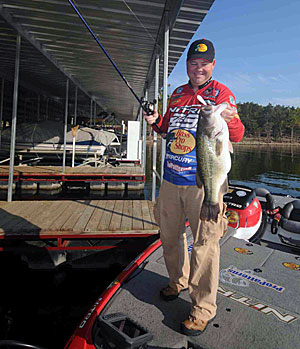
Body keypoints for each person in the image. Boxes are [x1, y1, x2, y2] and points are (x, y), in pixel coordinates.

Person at [143, 38, 245, 336]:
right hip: (171, 181)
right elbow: (166, 130)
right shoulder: (177, 94)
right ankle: (177, 281)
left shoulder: (222, 94)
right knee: (170, 237)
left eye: (204, 64)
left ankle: (202, 309)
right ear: (187, 65)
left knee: (205, 245)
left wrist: (230, 117)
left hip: (204, 184)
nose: (198, 69)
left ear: (212, 65)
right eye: (193, 63)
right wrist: (154, 120)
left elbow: (235, 134)